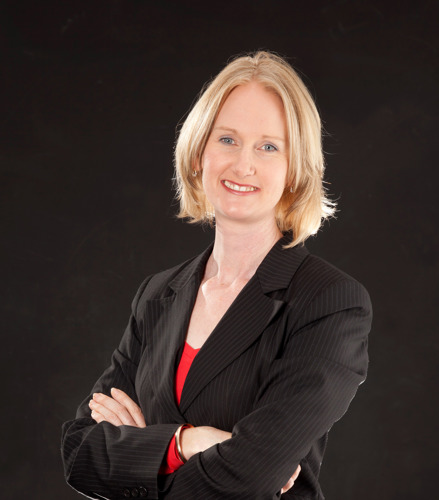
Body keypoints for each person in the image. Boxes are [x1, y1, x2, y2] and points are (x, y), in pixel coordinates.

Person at [61, 51, 372, 500]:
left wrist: (143, 453)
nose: (242, 164)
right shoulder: (157, 295)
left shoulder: (331, 301)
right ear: (198, 153)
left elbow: (253, 476)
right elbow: (80, 454)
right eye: (227, 139)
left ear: (294, 170)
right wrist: (188, 441)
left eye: (268, 146)